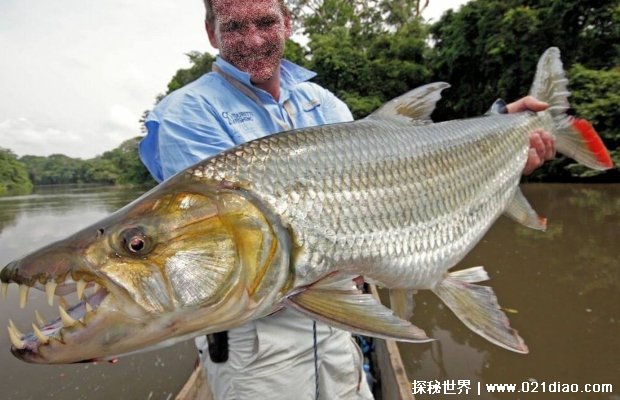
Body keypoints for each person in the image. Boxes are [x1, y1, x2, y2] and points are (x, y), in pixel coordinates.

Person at [139, 0, 555, 398]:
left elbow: (395, 178)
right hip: (255, 345)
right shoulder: (185, 113)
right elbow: (212, 254)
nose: (252, 39)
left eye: (265, 22)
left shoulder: (325, 103)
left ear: (287, 23)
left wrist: (501, 132)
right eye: (233, 26)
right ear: (212, 33)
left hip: (340, 322)